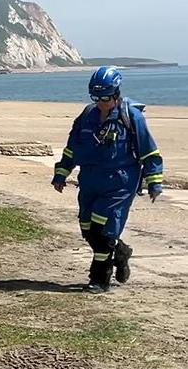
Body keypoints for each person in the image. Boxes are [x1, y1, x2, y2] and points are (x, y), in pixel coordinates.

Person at [52, 66, 163, 293]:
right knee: (87, 227)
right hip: (90, 180)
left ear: (116, 94)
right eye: (96, 97)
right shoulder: (86, 116)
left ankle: (99, 279)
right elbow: (72, 147)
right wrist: (61, 173)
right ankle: (120, 252)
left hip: (120, 183)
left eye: (104, 97)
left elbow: (150, 152)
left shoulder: (131, 117)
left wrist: (154, 182)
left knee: (104, 228)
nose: (100, 102)